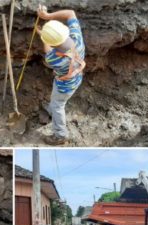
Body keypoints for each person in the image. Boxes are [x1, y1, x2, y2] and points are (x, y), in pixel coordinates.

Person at [37, 6, 86, 146]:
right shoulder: (77, 38)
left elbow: (48, 51)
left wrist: (42, 36)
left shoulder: (53, 60)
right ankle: (52, 107)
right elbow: (71, 13)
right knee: (55, 100)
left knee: (58, 104)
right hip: (76, 78)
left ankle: (60, 135)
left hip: (64, 86)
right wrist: (46, 16)